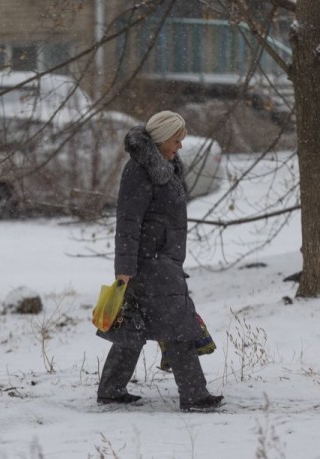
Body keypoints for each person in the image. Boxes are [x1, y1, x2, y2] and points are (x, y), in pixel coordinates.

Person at [97, 110, 224, 412]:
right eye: (176, 140)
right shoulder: (139, 171)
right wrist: (125, 269)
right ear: (162, 138)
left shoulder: (165, 167)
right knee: (178, 325)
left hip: (163, 260)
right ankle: (194, 395)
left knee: (134, 326)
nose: (180, 146)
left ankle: (111, 389)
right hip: (150, 263)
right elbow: (128, 221)